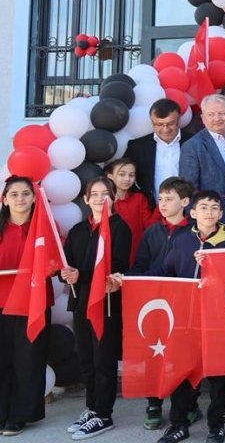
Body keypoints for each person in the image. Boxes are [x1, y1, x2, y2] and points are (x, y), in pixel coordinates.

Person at [143, 189, 225, 443]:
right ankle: (178, 423)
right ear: (193, 212)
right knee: (181, 371)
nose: (210, 212)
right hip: (185, 317)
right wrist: (130, 279)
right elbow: (165, 269)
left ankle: (216, 424)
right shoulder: (183, 239)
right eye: (204, 207)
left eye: (215, 207)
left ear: (221, 213)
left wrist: (213, 267)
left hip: (216, 319)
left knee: (217, 375)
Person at [62, 176, 132, 441]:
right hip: (80, 302)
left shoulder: (119, 228)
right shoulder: (78, 230)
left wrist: (83, 276)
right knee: (86, 360)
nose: (100, 198)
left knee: (104, 360)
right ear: (86, 199)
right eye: (95, 194)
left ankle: (104, 414)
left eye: (106, 193)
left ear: (113, 197)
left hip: (106, 303)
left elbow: (118, 266)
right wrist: (65, 274)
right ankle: (91, 408)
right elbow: (67, 265)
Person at [127, 176, 193, 432]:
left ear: (185, 202)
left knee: (183, 356)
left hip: (184, 304)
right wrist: (129, 279)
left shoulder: (195, 231)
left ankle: (188, 406)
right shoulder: (152, 231)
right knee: (153, 353)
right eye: (161, 199)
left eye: (169, 199)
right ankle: (153, 402)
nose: (163, 204)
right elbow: (140, 266)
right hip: (154, 303)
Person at [0, 176, 50, 436]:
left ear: (34, 197)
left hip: (33, 303)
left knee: (28, 360)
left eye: (26, 194)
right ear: (4, 199)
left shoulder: (44, 228)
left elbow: (55, 261)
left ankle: (19, 416)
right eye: (14, 194)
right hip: (1, 303)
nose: (20, 199)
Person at [179, 94, 225, 228]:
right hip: (212, 220)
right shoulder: (193, 146)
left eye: (221, 113)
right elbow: (188, 189)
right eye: (211, 114)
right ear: (203, 118)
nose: (217, 118)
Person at [125, 98, 184, 203]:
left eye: (170, 123)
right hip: (150, 210)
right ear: (152, 122)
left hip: (188, 211)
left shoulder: (193, 142)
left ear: (178, 120)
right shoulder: (137, 147)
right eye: (159, 124)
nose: (165, 129)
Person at [105, 157, 158, 266]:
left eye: (131, 175)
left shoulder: (139, 198)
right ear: (110, 176)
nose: (127, 179)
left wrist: (161, 204)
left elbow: (150, 225)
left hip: (135, 256)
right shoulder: (103, 201)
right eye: (122, 174)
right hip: (109, 256)